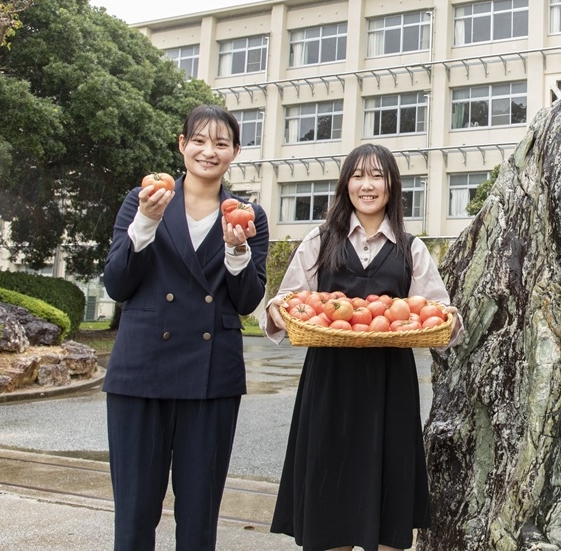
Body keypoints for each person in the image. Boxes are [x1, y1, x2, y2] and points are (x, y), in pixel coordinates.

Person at [261, 143, 462, 551]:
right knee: (329, 501)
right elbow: (286, 303)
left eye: (376, 176)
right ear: (345, 184)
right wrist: (277, 310)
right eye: (357, 176)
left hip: (390, 386)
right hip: (330, 384)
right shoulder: (319, 240)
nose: (366, 185)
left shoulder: (410, 247)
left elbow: (437, 315)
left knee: (387, 495)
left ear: (392, 186)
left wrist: (452, 320)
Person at [102, 103, 269, 551]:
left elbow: (249, 301)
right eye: (198, 140)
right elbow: (118, 284)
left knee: (198, 519)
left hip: (211, 375)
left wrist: (238, 253)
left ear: (235, 151)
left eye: (220, 143)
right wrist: (146, 223)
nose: (208, 151)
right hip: (140, 373)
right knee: (135, 515)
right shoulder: (141, 202)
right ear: (182, 145)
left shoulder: (248, 215)